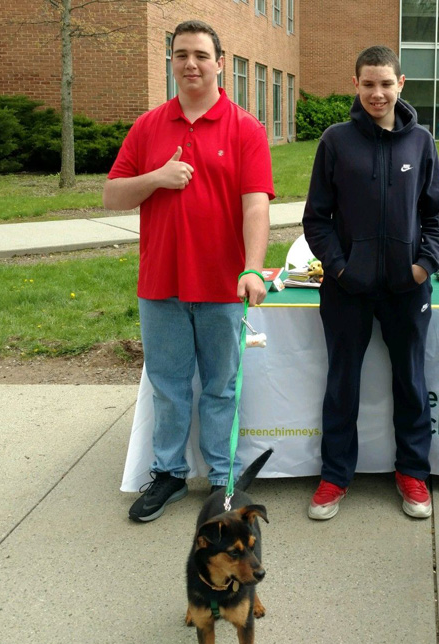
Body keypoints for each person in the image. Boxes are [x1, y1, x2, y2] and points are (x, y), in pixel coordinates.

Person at [104, 20, 274, 523]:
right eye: (181, 55)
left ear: (220, 62)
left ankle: (222, 481)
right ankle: (169, 474)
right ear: (171, 62)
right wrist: (156, 178)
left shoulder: (245, 127)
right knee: (169, 385)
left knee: (222, 385)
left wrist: (253, 268)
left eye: (201, 55)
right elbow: (112, 194)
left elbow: (256, 207)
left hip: (222, 284)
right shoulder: (149, 126)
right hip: (161, 284)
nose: (191, 64)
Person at [302, 45, 439, 521]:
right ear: (356, 84)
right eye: (368, 84)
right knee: (341, 383)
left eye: (386, 84)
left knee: (411, 380)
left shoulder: (421, 141)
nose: (377, 93)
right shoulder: (335, 140)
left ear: (400, 85)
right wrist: (341, 268)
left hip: (408, 287)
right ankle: (335, 476)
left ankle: (413, 473)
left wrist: (424, 265)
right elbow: (316, 219)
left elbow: (437, 216)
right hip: (347, 287)